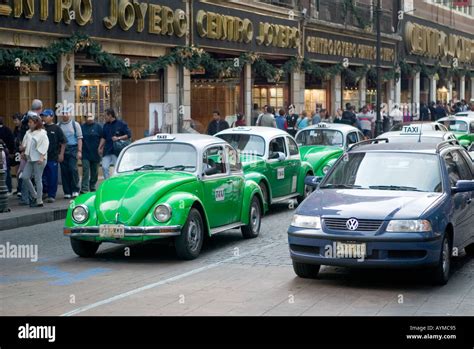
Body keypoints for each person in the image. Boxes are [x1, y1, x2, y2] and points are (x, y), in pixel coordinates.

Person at [21, 113, 49, 207]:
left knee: (38, 179)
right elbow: (24, 145)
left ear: (36, 123)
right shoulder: (28, 132)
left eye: (31, 122)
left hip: (39, 159)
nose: (29, 124)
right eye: (29, 122)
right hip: (30, 159)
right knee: (24, 176)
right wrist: (23, 152)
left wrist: (41, 157)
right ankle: (35, 195)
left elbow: (45, 145)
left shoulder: (42, 133)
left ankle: (39, 200)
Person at [41, 109, 66, 203]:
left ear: (51, 117)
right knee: (43, 176)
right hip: (42, 156)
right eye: (43, 116)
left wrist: (61, 154)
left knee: (52, 176)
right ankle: (45, 192)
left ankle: (51, 195)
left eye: (46, 116)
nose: (44, 117)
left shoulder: (56, 128)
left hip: (53, 157)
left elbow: (63, 142)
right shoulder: (42, 128)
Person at [99, 108, 131, 179]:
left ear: (110, 115)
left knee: (117, 170)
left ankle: (117, 183)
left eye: (105, 116)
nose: (104, 117)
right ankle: (107, 183)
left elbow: (128, 135)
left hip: (117, 151)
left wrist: (118, 138)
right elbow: (103, 137)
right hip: (107, 150)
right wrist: (100, 147)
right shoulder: (105, 125)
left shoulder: (121, 124)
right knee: (104, 167)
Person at [58, 108, 83, 199]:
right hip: (62, 149)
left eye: (66, 113)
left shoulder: (75, 124)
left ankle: (75, 189)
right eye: (63, 113)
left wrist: (79, 151)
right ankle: (67, 191)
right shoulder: (59, 125)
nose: (65, 115)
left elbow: (79, 138)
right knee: (64, 170)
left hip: (73, 148)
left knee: (73, 169)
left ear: (70, 114)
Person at [81, 113, 104, 193]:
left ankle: (92, 186)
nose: (89, 118)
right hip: (85, 153)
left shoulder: (98, 127)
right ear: (85, 118)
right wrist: (79, 151)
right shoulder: (82, 127)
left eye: (91, 117)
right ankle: (84, 188)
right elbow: (80, 139)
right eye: (88, 117)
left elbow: (102, 138)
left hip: (96, 153)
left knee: (95, 172)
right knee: (86, 171)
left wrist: (100, 147)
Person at [0, 116, 15, 194]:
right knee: (6, 170)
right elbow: (12, 141)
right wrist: (12, 152)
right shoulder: (7, 130)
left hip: (4, 152)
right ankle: (8, 188)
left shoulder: (6, 130)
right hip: (6, 153)